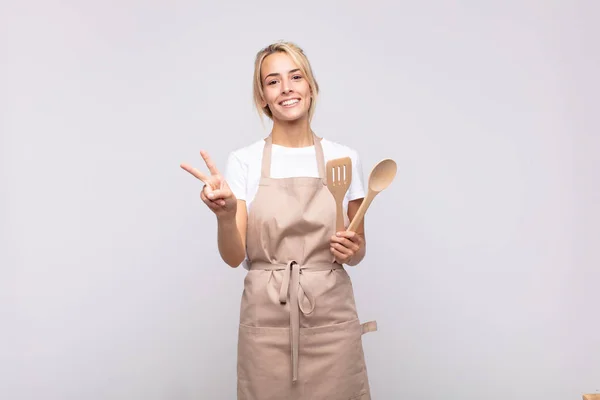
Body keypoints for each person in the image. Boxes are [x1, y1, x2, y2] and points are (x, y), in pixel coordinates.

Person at [181, 41, 377, 399]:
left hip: (329, 312)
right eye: (273, 81)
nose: (286, 88)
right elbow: (232, 256)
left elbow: (358, 250)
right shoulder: (244, 161)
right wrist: (225, 216)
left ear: (311, 87)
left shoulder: (344, 158)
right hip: (267, 313)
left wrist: (352, 249)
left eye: (296, 76)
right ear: (262, 98)